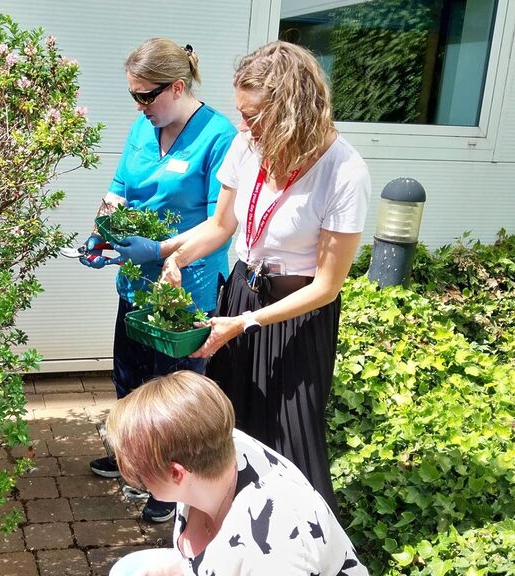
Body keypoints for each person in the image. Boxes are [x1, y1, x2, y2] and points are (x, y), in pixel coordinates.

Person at [158, 40, 371, 516]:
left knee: (291, 437)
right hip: (240, 295)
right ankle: (231, 529)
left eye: (254, 116)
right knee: (230, 430)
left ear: (292, 111)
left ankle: (306, 543)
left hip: (297, 313)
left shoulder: (344, 171)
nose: (243, 126)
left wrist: (248, 323)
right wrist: (175, 257)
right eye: (242, 113)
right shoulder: (246, 145)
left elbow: (326, 286)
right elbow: (221, 226)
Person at [78, 38, 236, 523]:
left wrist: (161, 250)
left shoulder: (219, 136)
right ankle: (132, 458)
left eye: (147, 96)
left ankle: (169, 488)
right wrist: (101, 231)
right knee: (129, 377)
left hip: (187, 287)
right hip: (136, 281)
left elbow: (218, 222)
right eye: (133, 96)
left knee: (174, 390)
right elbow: (120, 190)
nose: (139, 106)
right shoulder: (143, 128)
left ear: (178, 86)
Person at [106, 371, 368, 576]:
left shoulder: (275, 548)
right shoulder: (211, 442)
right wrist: (174, 567)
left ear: (177, 474)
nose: (130, 471)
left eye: (138, 468)